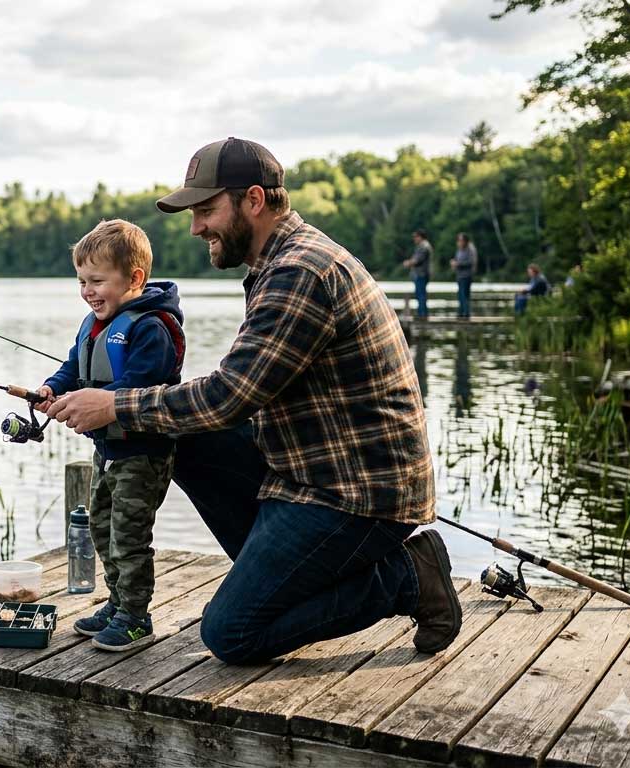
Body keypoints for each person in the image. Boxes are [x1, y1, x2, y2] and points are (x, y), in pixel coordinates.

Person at [46, 137, 461, 664]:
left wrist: (113, 407)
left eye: (206, 210)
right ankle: (271, 576)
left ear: (254, 200)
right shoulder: (276, 264)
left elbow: (229, 396)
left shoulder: (299, 272)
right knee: (179, 432)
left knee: (231, 633)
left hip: (357, 494)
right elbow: (231, 395)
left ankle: (408, 576)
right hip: (306, 473)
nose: (196, 228)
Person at [35, 219, 186, 651]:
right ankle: (117, 602)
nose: (88, 291)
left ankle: (136, 617)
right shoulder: (94, 323)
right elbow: (72, 366)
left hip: (143, 453)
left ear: (134, 279)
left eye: (97, 281)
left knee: (129, 536)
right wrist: (52, 388)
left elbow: (141, 386)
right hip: (107, 451)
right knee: (101, 528)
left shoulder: (151, 327)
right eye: (82, 282)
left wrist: (89, 401)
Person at [402, 229, 432, 318]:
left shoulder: (424, 246)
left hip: (422, 274)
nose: (414, 238)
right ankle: (421, 315)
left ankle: (422, 316)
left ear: (421, 237)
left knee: (421, 295)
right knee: (420, 295)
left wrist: (408, 263)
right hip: (420, 274)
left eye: (416, 236)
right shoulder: (422, 246)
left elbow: (417, 260)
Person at [450, 233, 477, 319]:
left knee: (464, 295)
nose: (459, 242)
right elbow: (457, 260)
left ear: (466, 241)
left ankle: (466, 314)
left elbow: (471, 262)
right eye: (458, 240)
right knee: (460, 295)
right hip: (459, 276)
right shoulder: (459, 250)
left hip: (466, 276)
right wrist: (454, 263)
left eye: (461, 240)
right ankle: (461, 313)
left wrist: (458, 264)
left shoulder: (470, 249)